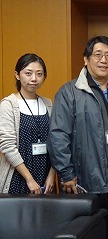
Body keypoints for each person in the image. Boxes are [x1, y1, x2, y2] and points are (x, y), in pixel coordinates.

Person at [47, 36, 108, 239]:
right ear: (86, 60)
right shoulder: (70, 92)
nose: (103, 60)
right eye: (98, 55)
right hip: (84, 181)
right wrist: (67, 173)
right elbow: (58, 135)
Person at [0, 53, 55, 194]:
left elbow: (57, 143)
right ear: (17, 75)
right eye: (28, 73)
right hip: (18, 177)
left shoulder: (48, 104)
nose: (34, 79)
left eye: (39, 74)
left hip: (45, 177)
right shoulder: (8, 104)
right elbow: (7, 146)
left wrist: (52, 175)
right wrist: (29, 179)